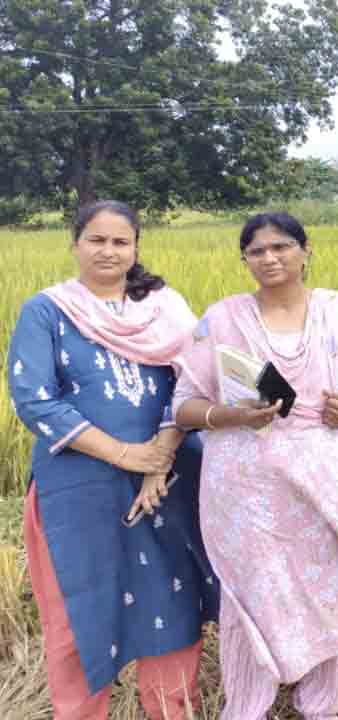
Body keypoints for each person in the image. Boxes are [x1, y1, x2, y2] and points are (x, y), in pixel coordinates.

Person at [172, 212, 338, 719]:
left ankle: (323, 702)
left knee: (331, 579)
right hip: (246, 486)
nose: (269, 258)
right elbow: (184, 404)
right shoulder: (222, 317)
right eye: (256, 251)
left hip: (329, 473)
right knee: (257, 586)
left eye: (280, 247)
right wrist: (231, 414)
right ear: (245, 260)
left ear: (306, 251)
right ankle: (250, 702)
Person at [7, 200, 218, 719]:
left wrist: (158, 457)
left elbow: (194, 381)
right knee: (80, 610)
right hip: (79, 490)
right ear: (75, 243)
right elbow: (33, 400)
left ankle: (173, 712)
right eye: (96, 240)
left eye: (120, 241)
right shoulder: (48, 311)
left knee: (173, 605)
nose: (108, 250)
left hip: (168, 483)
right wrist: (126, 454)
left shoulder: (165, 309)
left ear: (136, 247)